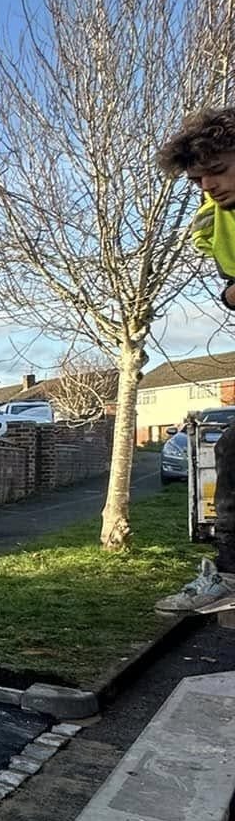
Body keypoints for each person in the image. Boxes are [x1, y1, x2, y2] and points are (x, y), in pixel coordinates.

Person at [154, 108, 235, 614]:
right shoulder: (218, 218)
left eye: (218, 170)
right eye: (197, 180)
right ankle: (229, 574)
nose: (208, 187)